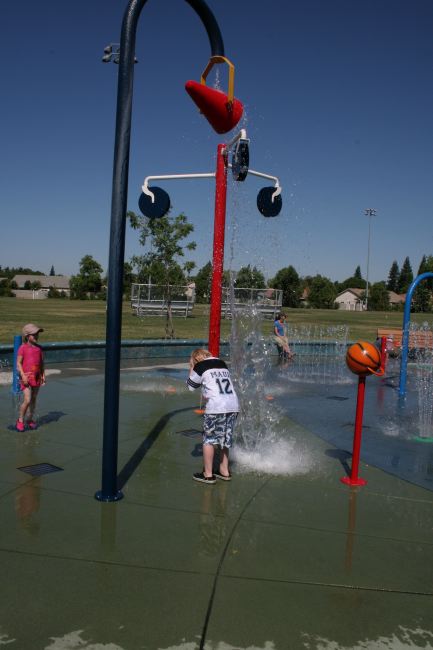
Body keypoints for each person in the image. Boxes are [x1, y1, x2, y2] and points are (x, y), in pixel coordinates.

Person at [187, 348, 239, 485]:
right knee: (225, 438)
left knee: (208, 440)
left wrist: (192, 367)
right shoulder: (221, 363)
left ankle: (208, 475)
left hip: (216, 406)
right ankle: (224, 471)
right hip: (233, 405)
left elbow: (191, 386)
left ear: (196, 359)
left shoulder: (200, 366)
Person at [16, 323, 45, 432]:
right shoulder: (22, 348)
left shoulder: (39, 349)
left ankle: (29, 419)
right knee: (27, 399)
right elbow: (18, 363)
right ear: (27, 336)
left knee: (34, 398)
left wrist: (43, 375)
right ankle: (20, 420)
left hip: (36, 377)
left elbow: (42, 363)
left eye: (37, 334)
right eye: (34, 334)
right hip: (26, 378)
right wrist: (23, 375)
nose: (36, 336)